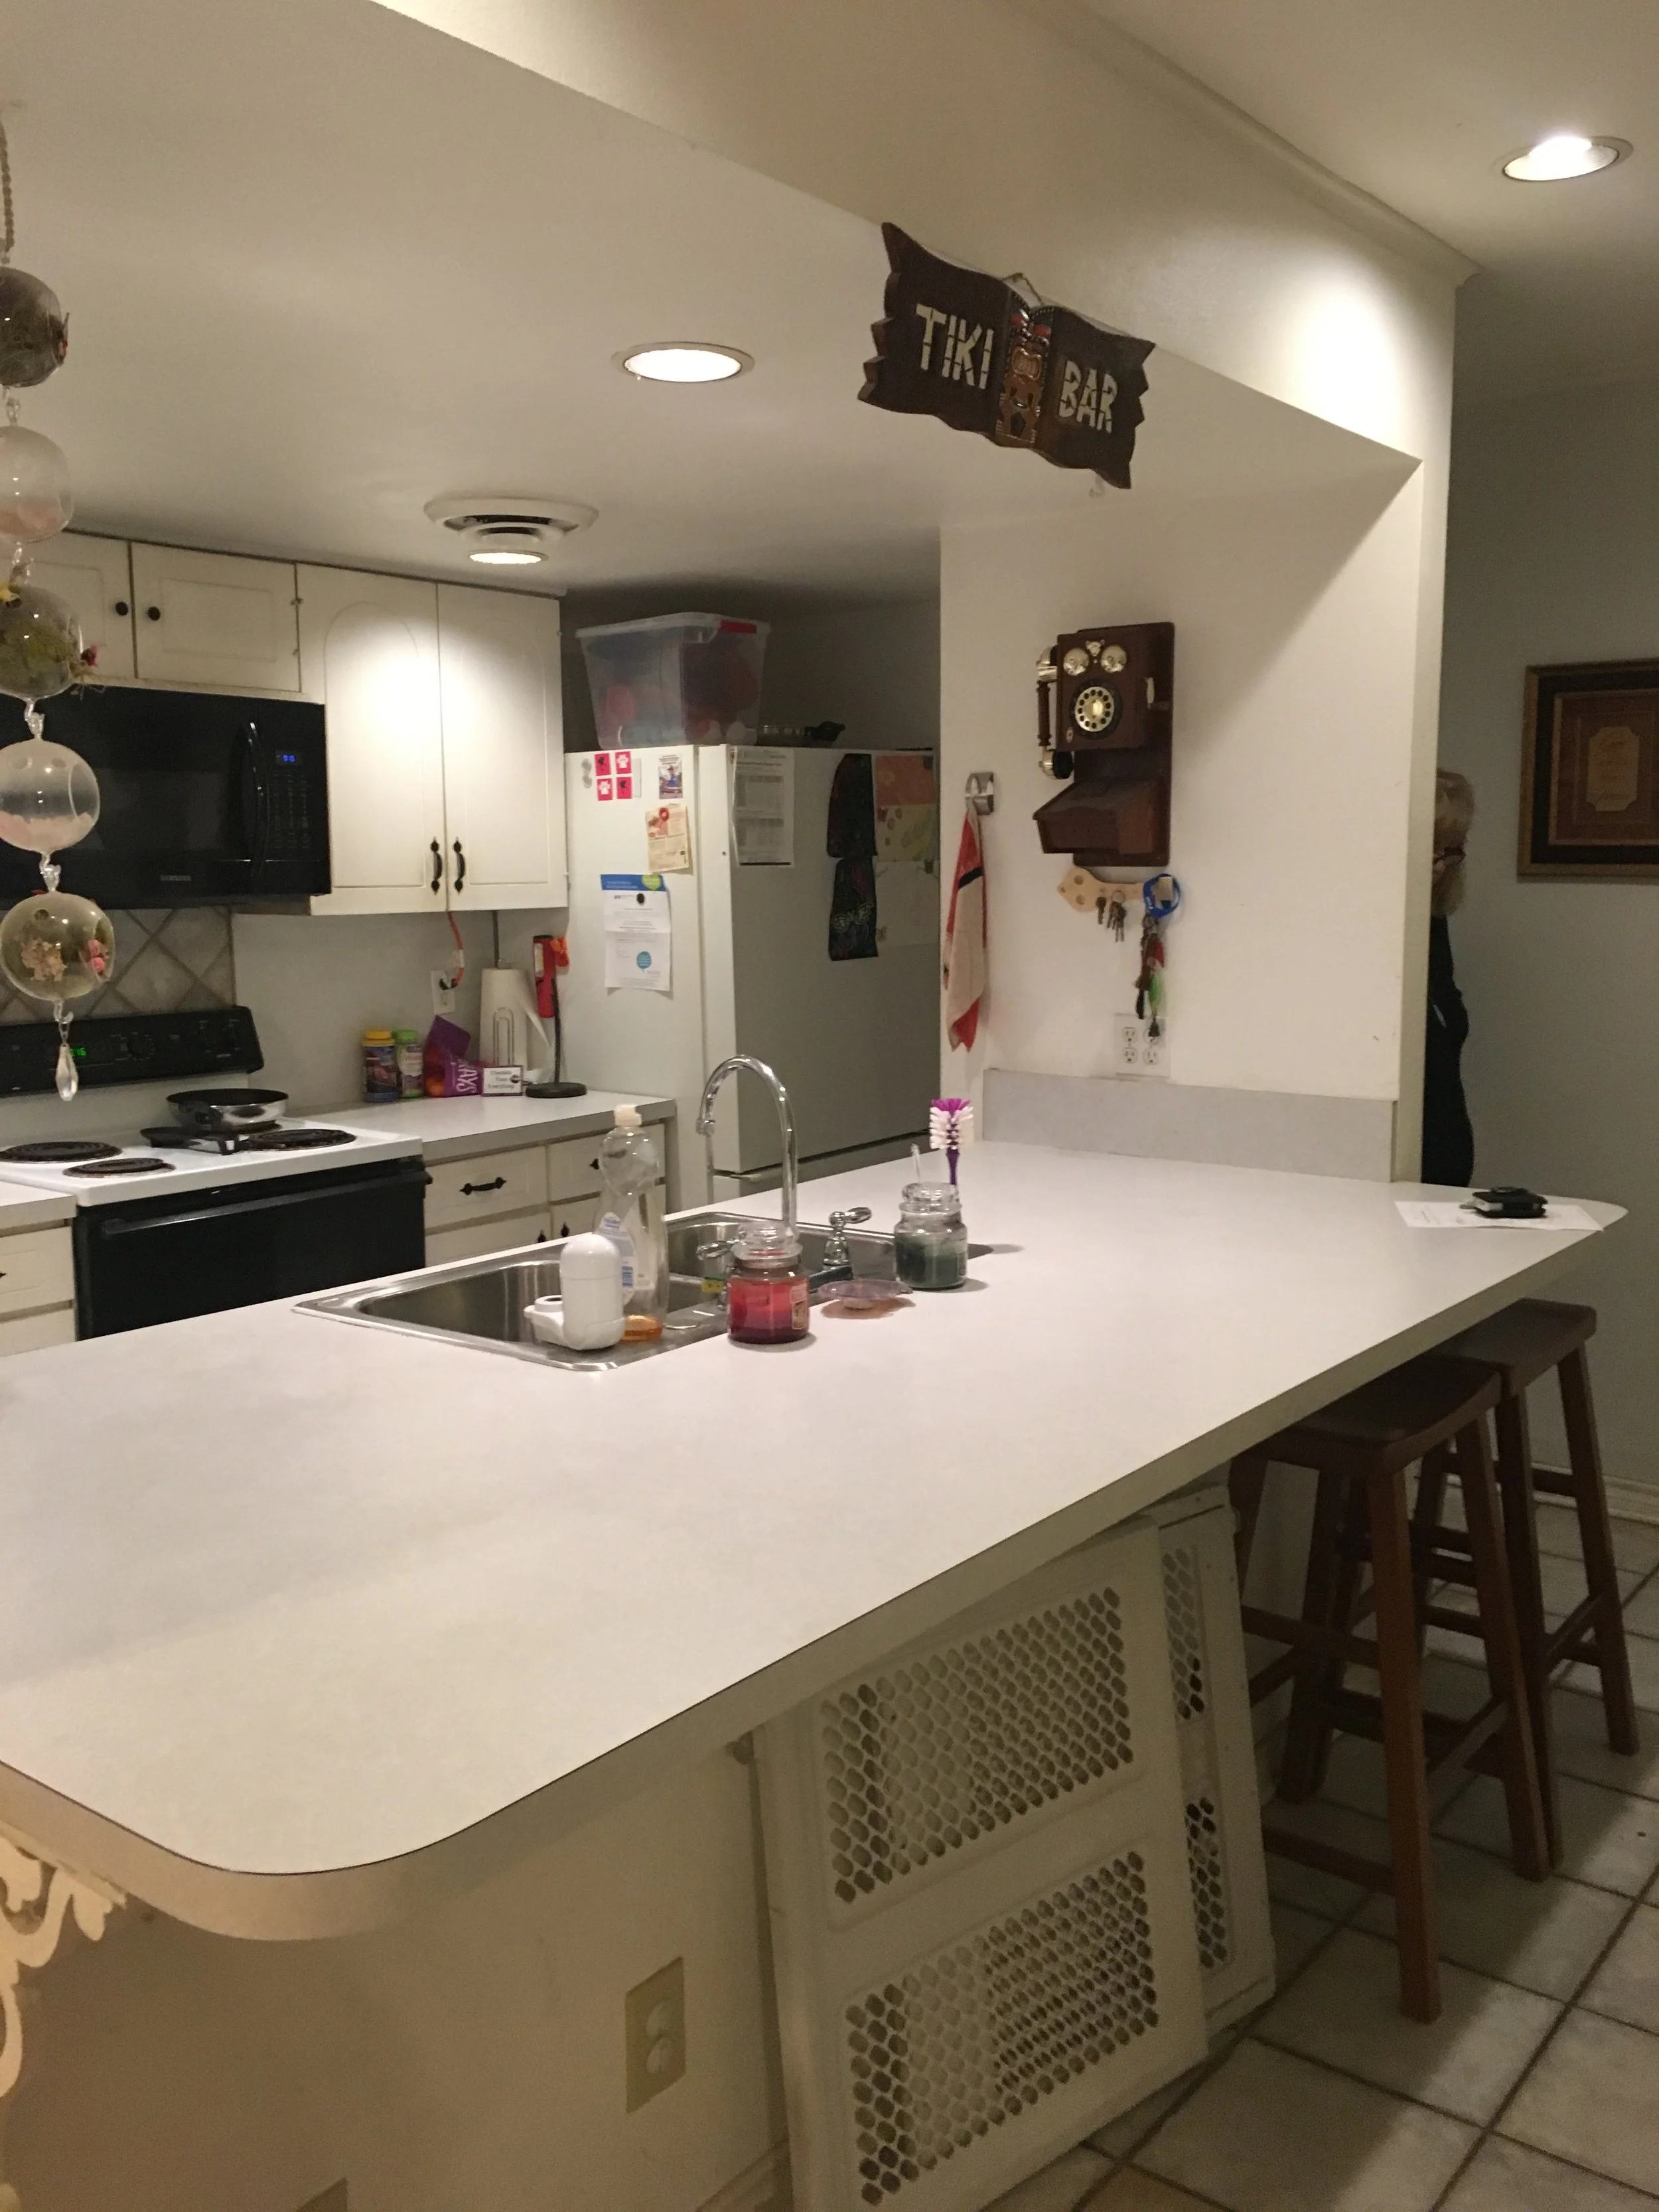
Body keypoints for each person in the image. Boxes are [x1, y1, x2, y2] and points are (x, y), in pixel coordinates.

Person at [1422, 768, 1475, 1185]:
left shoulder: (1432, 924)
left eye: (1449, 850)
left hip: (1445, 1157)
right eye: (1428, 848)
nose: (1439, 867)